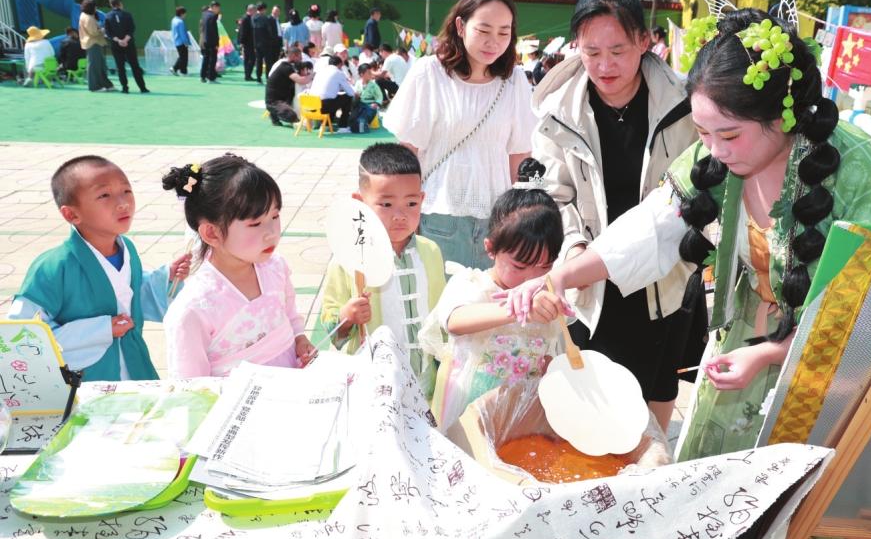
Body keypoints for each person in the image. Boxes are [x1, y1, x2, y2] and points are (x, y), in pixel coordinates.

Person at [501, 7, 871, 539]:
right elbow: (651, 229)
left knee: (798, 517)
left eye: (729, 135)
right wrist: (562, 277)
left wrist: (771, 354)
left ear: (783, 116)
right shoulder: (716, 155)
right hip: (741, 343)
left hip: (830, 363)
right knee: (713, 514)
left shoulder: (862, 168)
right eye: (702, 134)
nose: (714, 150)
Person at [530, 0, 699, 432]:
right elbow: (554, 194)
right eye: (592, 52)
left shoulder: (686, 106)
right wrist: (573, 250)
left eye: (618, 51)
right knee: (590, 394)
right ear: (576, 48)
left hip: (663, 275)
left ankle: (650, 466)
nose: (605, 66)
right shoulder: (557, 112)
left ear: (644, 41)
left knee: (656, 389)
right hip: (588, 276)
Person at [384, 0, 535, 270]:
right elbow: (408, 153)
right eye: (484, 30)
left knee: (490, 298)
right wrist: (402, 214)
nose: (494, 42)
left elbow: (520, 156)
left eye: (504, 32)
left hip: (499, 221)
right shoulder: (429, 73)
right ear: (460, 26)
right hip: (440, 218)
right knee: (441, 298)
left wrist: (524, 216)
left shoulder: (515, 81)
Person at [8, 156, 190, 382]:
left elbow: (126, 294)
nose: (123, 203)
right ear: (71, 214)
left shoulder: (127, 250)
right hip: (83, 382)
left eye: (126, 191)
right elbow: (21, 335)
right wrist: (101, 330)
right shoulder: (52, 267)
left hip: (134, 368)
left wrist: (166, 280)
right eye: (104, 195)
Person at [420, 158, 568, 432]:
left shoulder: (545, 294)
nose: (531, 278)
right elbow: (454, 320)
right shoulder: (472, 283)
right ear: (490, 249)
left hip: (521, 415)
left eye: (545, 266)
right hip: (469, 412)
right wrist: (518, 308)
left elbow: (547, 351)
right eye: (520, 266)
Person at [162, 154, 317, 378]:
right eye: (255, 223)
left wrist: (299, 339)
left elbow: (290, 315)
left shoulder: (275, 268)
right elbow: (191, 384)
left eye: (275, 216)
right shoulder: (193, 310)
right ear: (212, 233)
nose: (271, 233)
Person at [320, 144, 446, 396]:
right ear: (360, 203)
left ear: (422, 199)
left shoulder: (430, 251)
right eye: (386, 204)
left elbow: (441, 314)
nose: (400, 215)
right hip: (374, 383)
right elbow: (331, 324)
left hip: (425, 379)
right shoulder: (348, 259)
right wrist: (348, 316)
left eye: (411, 203)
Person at [103, 0, 148, 94]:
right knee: (135, 66)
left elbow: (108, 33)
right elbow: (131, 29)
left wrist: (119, 40)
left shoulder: (108, 16)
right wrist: (125, 40)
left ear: (111, 4)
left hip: (116, 45)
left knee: (120, 67)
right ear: (120, 3)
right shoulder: (127, 15)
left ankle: (125, 88)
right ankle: (142, 87)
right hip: (129, 44)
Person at [265, 45, 313, 126]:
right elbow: (301, 81)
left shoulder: (290, 65)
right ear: (294, 56)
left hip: (282, 98)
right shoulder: (285, 67)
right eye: (300, 57)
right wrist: (313, 75)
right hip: (274, 102)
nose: (301, 59)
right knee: (292, 116)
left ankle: (276, 113)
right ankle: (274, 113)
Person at [310, 54, 355, 128]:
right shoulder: (338, 72)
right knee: (347, 97)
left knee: (334, 98)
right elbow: (351, 92)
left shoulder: (320, 71)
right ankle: (343, 126)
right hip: (323, 106)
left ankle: (327, 124)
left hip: (311, 105)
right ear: (340, 64)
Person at [79, 0, 114, 92]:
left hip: (94, 42)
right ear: (91, 7)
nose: (96, 8)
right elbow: (94, 32)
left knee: (100, 65)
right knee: (94, 66)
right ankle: (94, 87)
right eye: (95, 7)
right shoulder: (88, 18)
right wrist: (102, 30)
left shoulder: (85, 15)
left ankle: (106, 84)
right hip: (93, 43)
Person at [349, 63, 383, 133]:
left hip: (370, 105)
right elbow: (356, 93)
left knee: (363, 118)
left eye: (371, 73)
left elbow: (380, 96)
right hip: (360, 104)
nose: (371, 74)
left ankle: (363, 127)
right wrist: (356, 95)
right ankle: (356, 127)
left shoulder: (374, 85)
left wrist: (376, 103)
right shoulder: (358, 83)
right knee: (353, 118)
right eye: (368, 73)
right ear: (362, 74)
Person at [252, 2, 278, 83]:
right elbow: (270, 31)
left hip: (257, 43)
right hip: (266, 43)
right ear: (263, 9)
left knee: (259, 61)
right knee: (268, 61)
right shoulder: (266, 19)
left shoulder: (253, 18)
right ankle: (268, 76)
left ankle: (258, 77)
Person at [200, 1, 221, 83]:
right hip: (212, 41)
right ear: (214, 7)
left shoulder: (204, 14)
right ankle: (211, 78)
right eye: (218, 8)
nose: (219, 10)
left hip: (205, 40)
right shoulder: (213, 16)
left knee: (206, 59)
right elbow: (214, 31)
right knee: (212, 60)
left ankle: (203, 76)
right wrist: (216, 43)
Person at [239, 3, 256, 80]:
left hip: (250, 42)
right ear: (250, 10)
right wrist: (242, 42)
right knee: (250, 59)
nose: (255, 12)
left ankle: (248, 75)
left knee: (249, 59)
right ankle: (247, 75)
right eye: (254, 10)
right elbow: (243, 31)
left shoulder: (249, 18)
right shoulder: (246, 18)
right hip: (247, 42)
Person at [170, 6, 189, 76]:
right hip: (181, 42)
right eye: (185, 13)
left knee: (182, 56)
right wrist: (186, 42)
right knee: (184, 58)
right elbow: (182, 33)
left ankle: (180, 70)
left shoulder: (173, 20)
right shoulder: (180, 22)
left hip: (176, 41)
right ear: (181, 14)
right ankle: (177, 69)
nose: (185, 15)